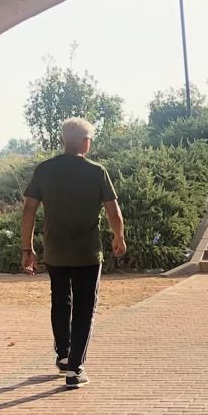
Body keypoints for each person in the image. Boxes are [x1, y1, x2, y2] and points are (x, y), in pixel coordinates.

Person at [20, 117, 125, 389]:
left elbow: (29, 209)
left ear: (63, 141)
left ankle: (64, 355)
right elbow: (113, 210)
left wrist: (27, 247)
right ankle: (75, 368)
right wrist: (119, 237)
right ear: (86, 143)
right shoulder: (97, 171)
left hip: (55, 251)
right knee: (84, 308)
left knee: (60, 302)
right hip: (88, 253)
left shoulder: (44, 170)